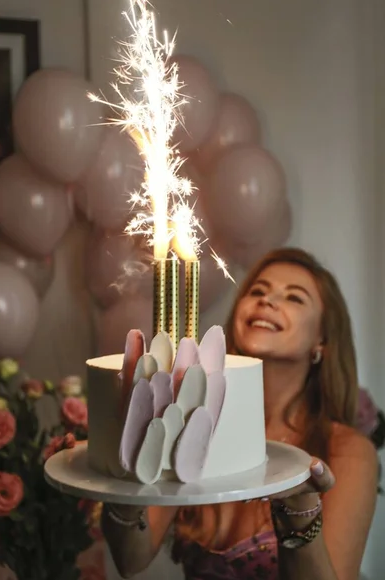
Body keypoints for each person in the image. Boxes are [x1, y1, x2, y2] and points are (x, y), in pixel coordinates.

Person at [101, 247, 378, 580]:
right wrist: (122, 473)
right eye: (257, 291)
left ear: (322, 340)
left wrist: (301, 519)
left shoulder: (347, 451)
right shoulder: (193, 419)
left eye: (294, 298)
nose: (267, 301)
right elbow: (131, 561)